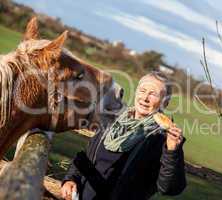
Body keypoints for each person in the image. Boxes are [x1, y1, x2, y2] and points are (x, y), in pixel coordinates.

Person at [61, 71, 186, 200]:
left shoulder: (163, 139)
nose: (145, 98)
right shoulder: (113, 120)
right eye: (142, 91)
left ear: (165, 102)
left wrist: (172, 152)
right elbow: (86, 157)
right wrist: (71, 179)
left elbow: (170, 188)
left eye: (153, 94)